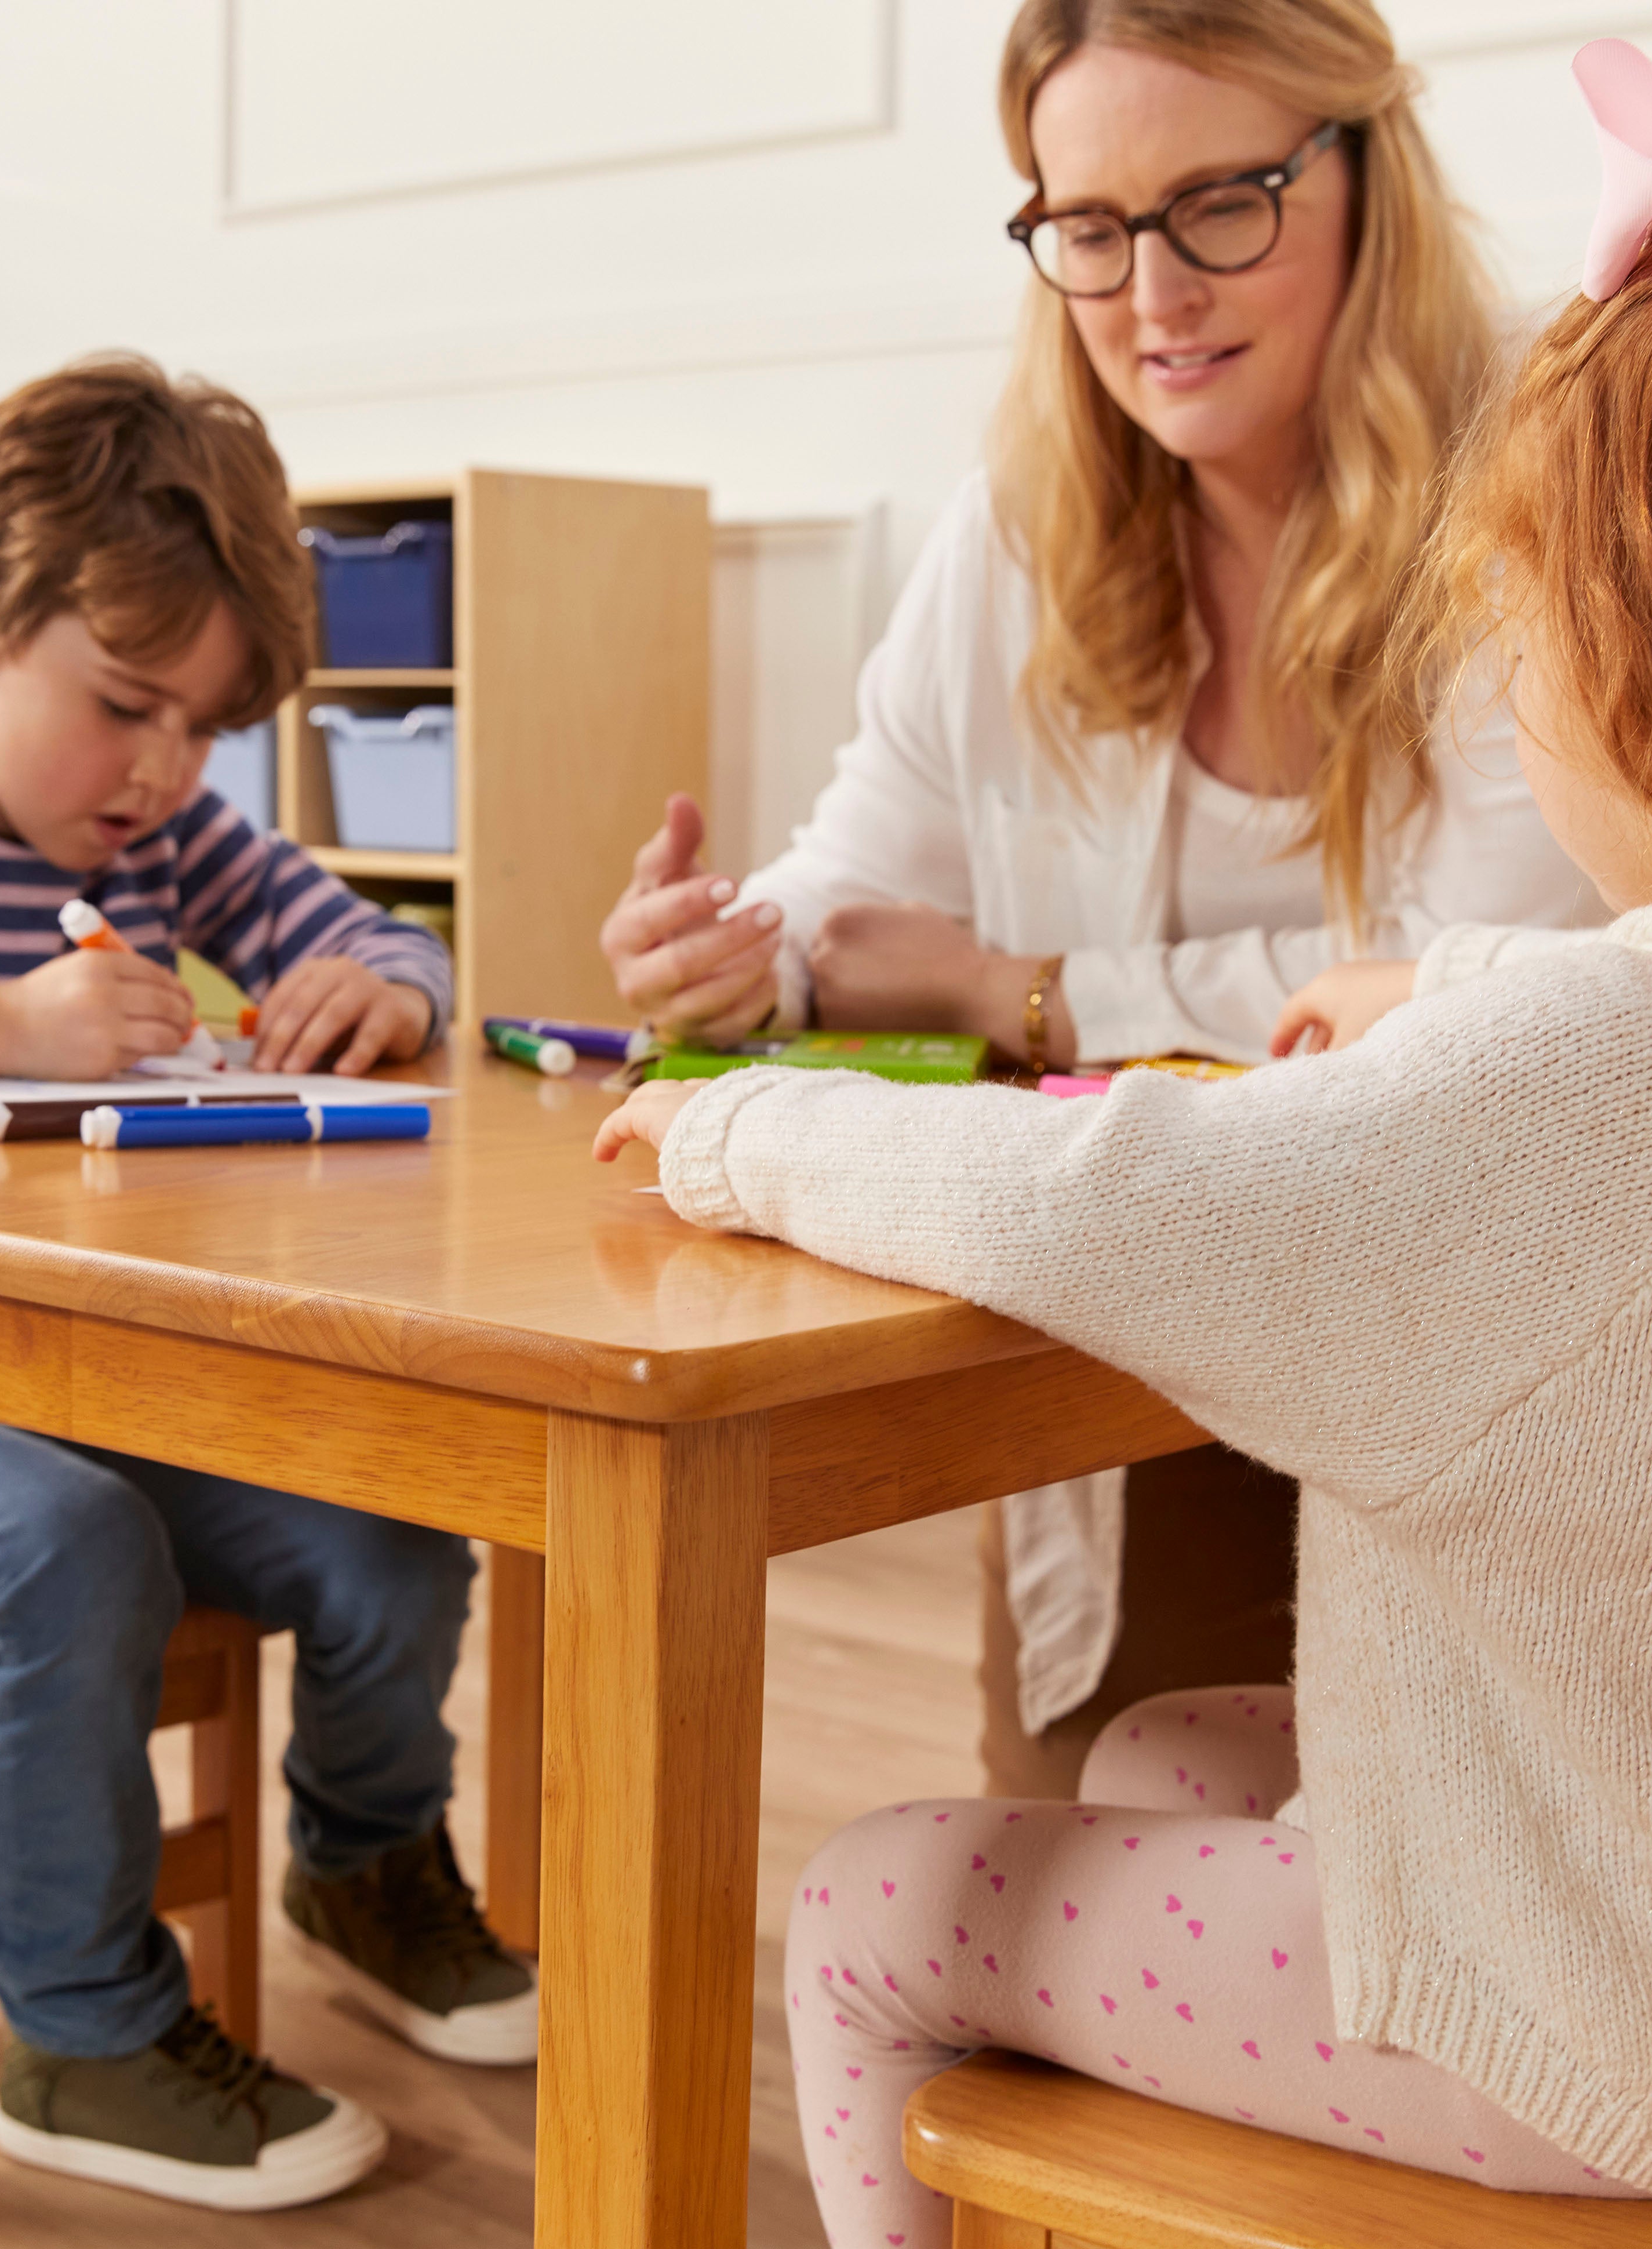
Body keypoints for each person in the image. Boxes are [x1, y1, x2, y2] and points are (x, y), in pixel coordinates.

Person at [596, 5, 1652, 2249]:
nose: (1505, 654)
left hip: (1616, 2030)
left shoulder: (1591, 1052)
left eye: (1526, 607)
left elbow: (1107, 1199)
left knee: (867, 1908)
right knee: (1159, 1750)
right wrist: (1421, 1007)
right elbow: (1603, 1082)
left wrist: (743, 1124)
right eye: (1089, 226)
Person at [601, 0, 1602, 1800]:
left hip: (1476, 1382)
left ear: (1366, 175)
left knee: (1391, 1928)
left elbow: (1476, 987)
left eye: (1223, 202)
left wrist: (1024, 992)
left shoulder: (1538, 482)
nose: (1156, 293)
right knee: (1080, 1867)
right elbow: (861, 870)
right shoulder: (1022, 523)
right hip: (1137, 1370)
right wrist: (751, 954)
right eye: (1089, 227)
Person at [0, 358, 536, 2211]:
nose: (167, 768)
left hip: (79, 1378)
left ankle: (364, 1862)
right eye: (127, 708)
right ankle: (82, 2041)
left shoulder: (162, 834)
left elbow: (373, 929)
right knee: (65, 1550)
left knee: (395, 1530)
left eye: (208, 728)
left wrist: (386, 987)